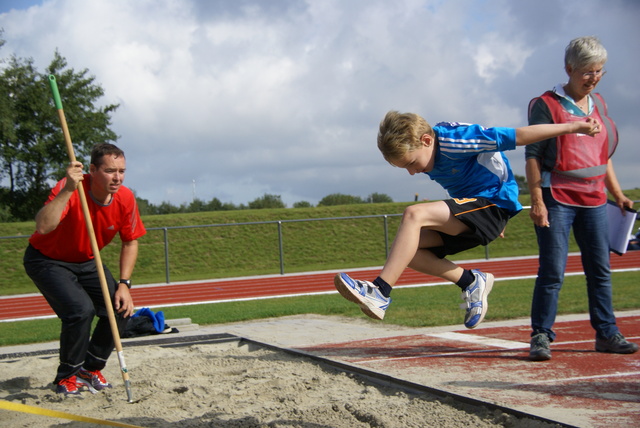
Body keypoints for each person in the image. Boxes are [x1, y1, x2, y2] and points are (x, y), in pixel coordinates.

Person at [334, 110, 600, 329]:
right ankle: (470, 281)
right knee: (409, 250)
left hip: (492, 205)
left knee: (414, 214)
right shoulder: (428, 157)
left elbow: (518, 136)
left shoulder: (456, 139)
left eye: (410, 163)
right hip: (478, 213)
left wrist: (573, 127)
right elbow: (462, 182)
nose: (412, 172)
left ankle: (380, 292)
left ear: (427, 140)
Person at [525, 36, 638, 361]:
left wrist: (617, 195)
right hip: (556, 197)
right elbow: (532, 155)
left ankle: (606, 333)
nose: (594, 78)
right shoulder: (546, 104)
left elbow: (604, 155)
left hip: (595, 200)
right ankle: (541, 336)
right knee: (552, 271)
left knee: (600, 270)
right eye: (587, 71)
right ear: (569, 68)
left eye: (599, 71)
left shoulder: (599, 104)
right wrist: (537, 199)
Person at [23, 143, 146, 396]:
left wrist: (125, 283)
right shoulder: (70, 186)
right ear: (92, 169)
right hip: (48, 260)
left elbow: (130, 241)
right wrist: (68, 189)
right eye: (110, 171)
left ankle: (90, 369)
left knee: (121, 308)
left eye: (122, 171)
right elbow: (43, 226)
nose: (118, 177)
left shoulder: (125, 198)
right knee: (80, 311)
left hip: (87, 260)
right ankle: (66, 376)